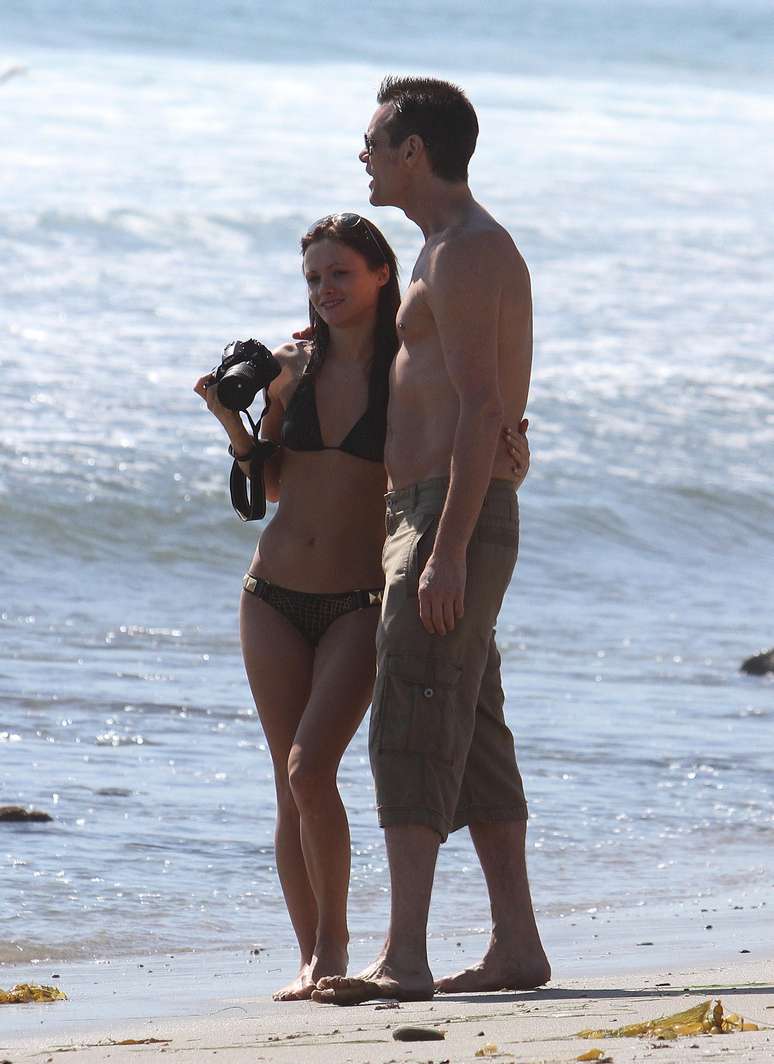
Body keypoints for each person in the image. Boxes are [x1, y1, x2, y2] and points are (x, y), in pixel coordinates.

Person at [194, 213, 529, 1001]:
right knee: (290, 782)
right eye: (313, 278)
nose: (325, 289)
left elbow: (462, 439)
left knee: (314, 768)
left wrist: (511, 462)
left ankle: (340, 942)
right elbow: (272, 485)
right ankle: (315, 956)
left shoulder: (407, 371)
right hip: (269, 596)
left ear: (384, 274)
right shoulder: (294, 370)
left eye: (340, 272)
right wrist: (235, 426)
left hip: (355, 600)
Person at [312, 77, 550, 1006]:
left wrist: (447, 548)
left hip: (448, 516)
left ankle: (402, 956)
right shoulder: (434, 253)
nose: (362, 156)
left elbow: (488, 403)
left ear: (414, 151)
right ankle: (516, 946)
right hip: (431, 508)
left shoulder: (468, 251)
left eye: (372, 141)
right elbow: (448, 389)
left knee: (408, 724)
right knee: (474, 729)